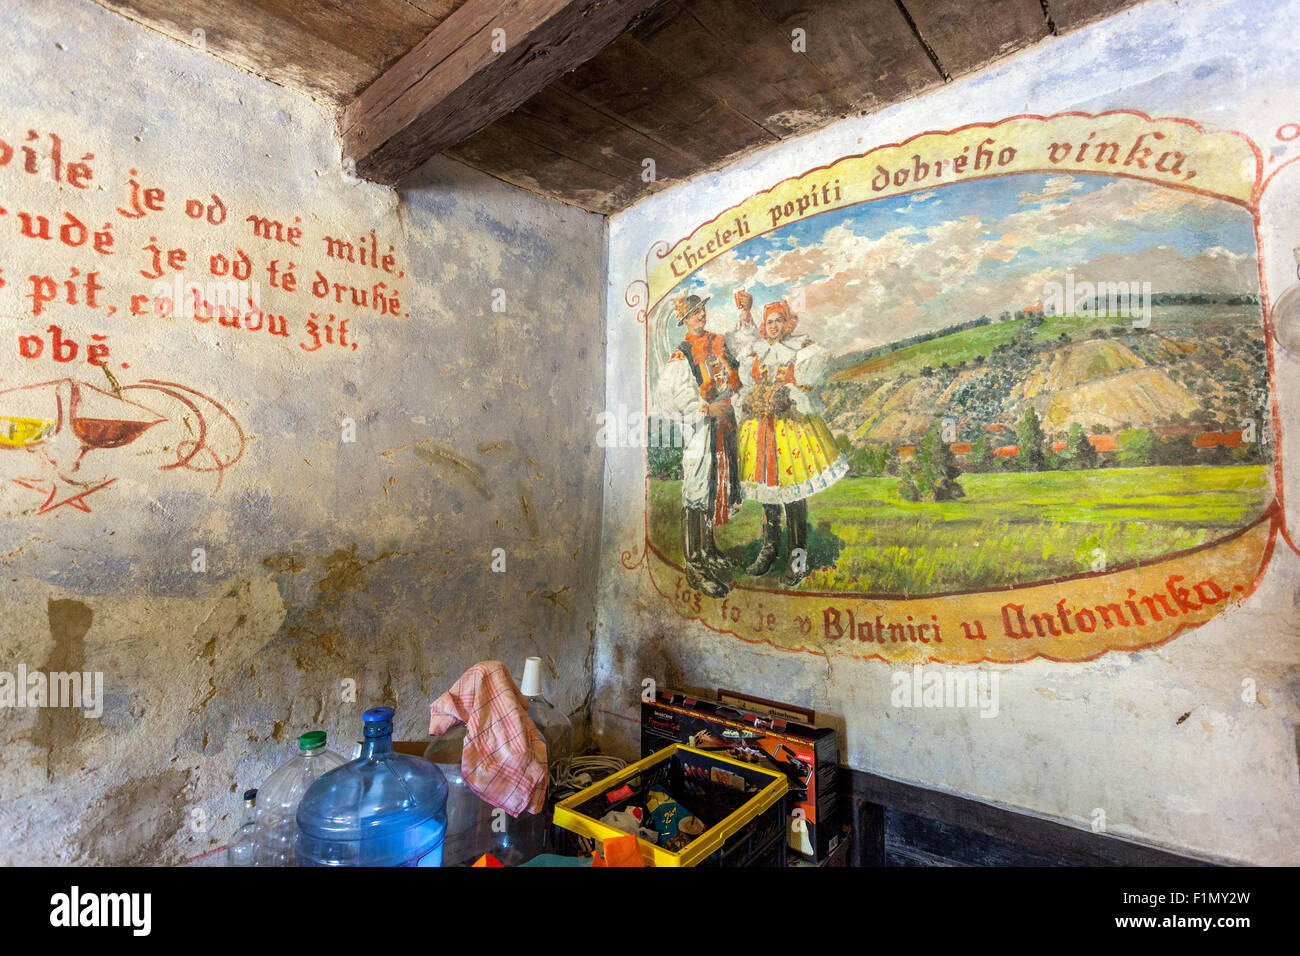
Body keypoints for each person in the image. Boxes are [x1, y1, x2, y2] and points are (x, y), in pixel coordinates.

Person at [734, 298, 848, 587]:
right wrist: (752, 398)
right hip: (760, 429)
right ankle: (768, 552)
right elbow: (748, 385)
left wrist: (788, 391)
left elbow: (806, 384)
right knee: (767, 497)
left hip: (789, 429)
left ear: (787, 324)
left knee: (794, 498)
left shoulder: (798, 350)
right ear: (765, 326)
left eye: (779, 321)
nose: (774, 327)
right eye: (770, 322)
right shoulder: (756, 354)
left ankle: (797, 561)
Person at [655, 293, 743, 597]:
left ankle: (709, 550)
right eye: (694, 313)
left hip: (721, 428)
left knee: (712, 487)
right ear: (684, 320)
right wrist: (705, 410)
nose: (701, 315)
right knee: (695, 490)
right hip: (699, 429)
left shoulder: (717, 343)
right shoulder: (681, 355)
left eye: (702, 309)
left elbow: (733, 372)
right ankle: (694, 566)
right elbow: (674, 398)